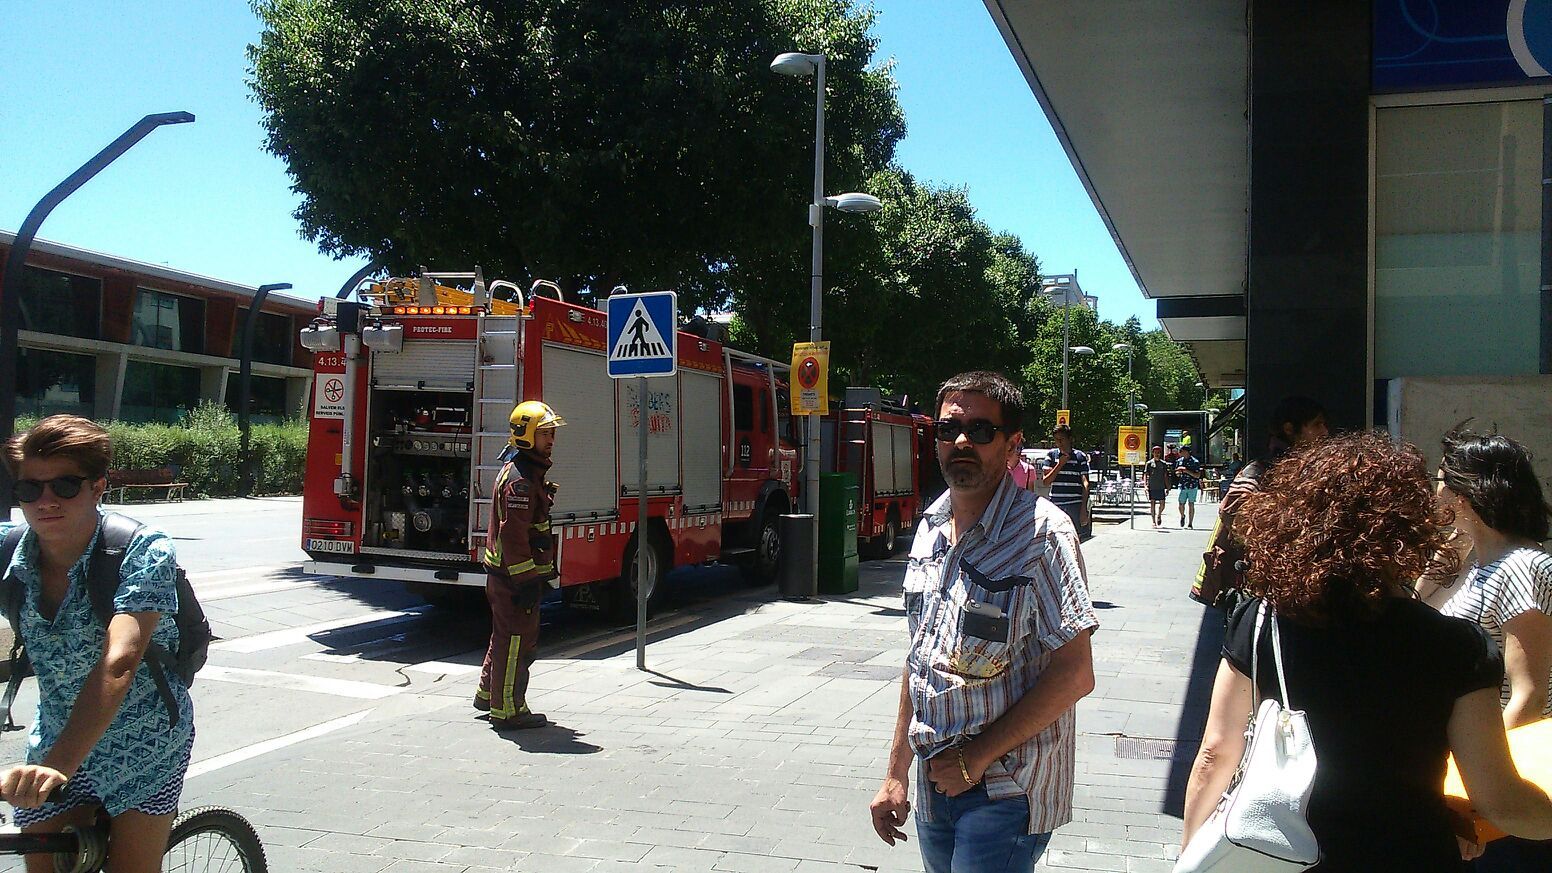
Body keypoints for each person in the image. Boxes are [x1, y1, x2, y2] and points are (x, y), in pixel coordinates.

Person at [1183, 431, 1552, 872]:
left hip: (1281, 855)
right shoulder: (1456, 648)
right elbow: (1500, 799)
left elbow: (1214, 754)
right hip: (1410, 854)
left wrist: (1192, 857)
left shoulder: (1261, 620)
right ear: (1408, 531)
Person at [870, 371, 1098, 873]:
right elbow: (920, 657)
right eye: (949, 429)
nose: (961, 442)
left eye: (980, 430)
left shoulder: (1043, 535)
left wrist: (974, 759)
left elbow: (1075, 673)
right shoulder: (930, 529)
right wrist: (895, 773)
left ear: (1013, 445)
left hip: (1005, 788)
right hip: (935, 785)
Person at [0, 415, 194, 873]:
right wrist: (57, 759)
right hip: (57, 734)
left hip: (146, 742)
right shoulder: (10, 553)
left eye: (65, 486)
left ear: (98, 487)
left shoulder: (143, 550)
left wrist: (61, 766)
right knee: (41, 862)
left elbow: (119, 661)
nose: (45, 501)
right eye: (31, 489)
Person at [1421, 431, 1552, 872]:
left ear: (1464, 492)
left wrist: (1480, 797)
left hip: (1511, 781)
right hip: (1489, 774)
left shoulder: (1521, 566)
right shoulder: (1481, 565)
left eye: (1440, 479)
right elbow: (1418, 613)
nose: (1433, 490)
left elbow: (1529, 695)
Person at [477, 400, 565, 730]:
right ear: (525, 435)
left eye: (552, 433)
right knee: (517, 642)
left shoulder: (522, 469)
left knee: (504, 636)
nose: (551, 439)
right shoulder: (522, 480)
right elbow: (513, 534)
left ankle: (488, 694)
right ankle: (509, 710)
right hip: (514, 579)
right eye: (544, 433)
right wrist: (527, 580)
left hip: (505, 575)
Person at [1041, 426, 1090, 534]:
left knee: (1074, 540)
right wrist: (1060, 464)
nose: (1059, 443)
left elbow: (1085, 483)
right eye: (1056, 439)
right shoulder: (1051, 456)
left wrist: (1083, 509)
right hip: (1056, 505)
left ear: (1070, 439)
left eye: (1062, 439)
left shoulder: (1079, 456)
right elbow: (1046, 481)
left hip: (1074, 505)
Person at [1174, 443, 1204, 529]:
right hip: (1182, 485)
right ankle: (1182, 515)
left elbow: (1197, 475)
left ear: (1186, 452)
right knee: (1181, 503)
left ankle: (1190, 523)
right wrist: (1178, 473)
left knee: (1191, 504)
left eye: (1181, 451)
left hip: (1192, 485)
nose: (1180, 452)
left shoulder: (1195, 462)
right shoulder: (1179, 461)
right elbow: (1176, 473)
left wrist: (1186, 471)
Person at [1144, 445, 1171, 527]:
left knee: (1162, 504)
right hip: (1152, 486)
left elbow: (1165, 476)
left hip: (1161, 486)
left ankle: (1159, 515)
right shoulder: (1149, 463)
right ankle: (1153, 521)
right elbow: (1145, 474)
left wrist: (1168, 487)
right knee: (1152, 503)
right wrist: (1145, 485)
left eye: (1158, 453)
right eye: (1155, 452)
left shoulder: (1163, 464)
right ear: (1153, 453)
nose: (1157, 454)